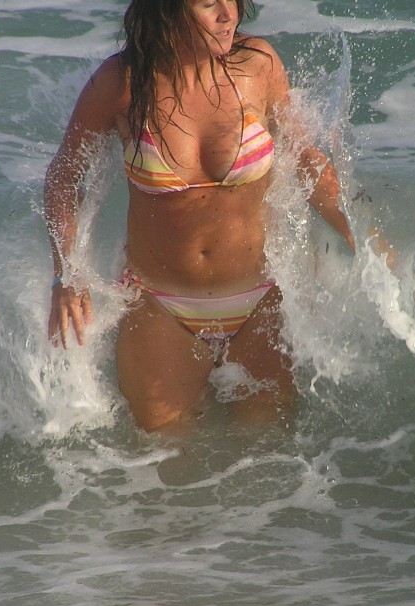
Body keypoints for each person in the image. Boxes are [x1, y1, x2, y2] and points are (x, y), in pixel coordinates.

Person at [45, 0, 355, 433]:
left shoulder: (257, 66)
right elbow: (65, 175)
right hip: (160, 307)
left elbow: (303, 159)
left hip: (260, 301)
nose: (229, 14)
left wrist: (362, 236)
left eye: (232, 0)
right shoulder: (122, 83)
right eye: (210, 4)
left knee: (268, 463)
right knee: (165, 471)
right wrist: (66, 273)